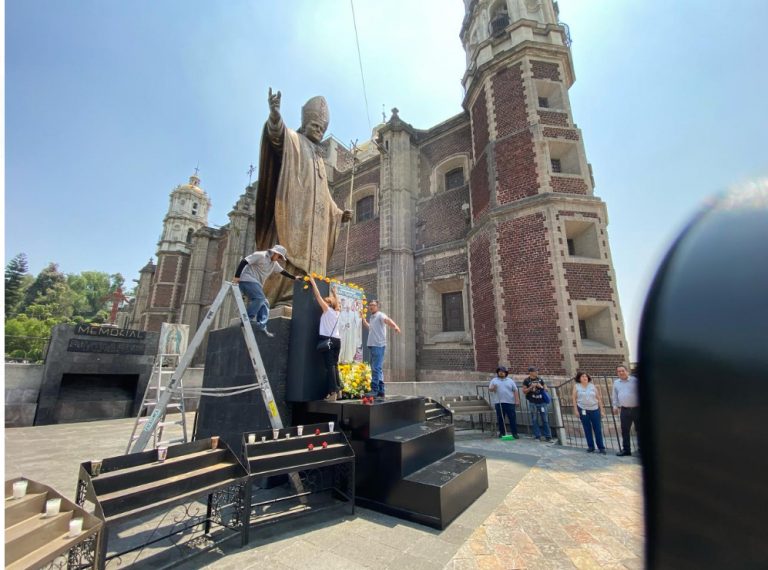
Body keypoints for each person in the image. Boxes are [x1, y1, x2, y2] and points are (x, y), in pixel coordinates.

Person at [253, 88, 352, 308]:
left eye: (321, 129)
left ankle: (302, 299)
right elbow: (276, 136)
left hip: (313, 231)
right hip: (293, 217)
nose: (318, 131)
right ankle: (276, 299)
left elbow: (325, 195)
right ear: (304, 125)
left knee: (309, 268)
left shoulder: (319, 159)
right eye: (314, 126)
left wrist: (337, 214)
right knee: (287, 256)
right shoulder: (294, 140)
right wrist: (275, 115)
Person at [232, 245, 299, 337]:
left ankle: (261, 325)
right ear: (275, 253)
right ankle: (246, 320)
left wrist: (294, 277)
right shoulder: (260, 255)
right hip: (246, 279)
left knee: (265, 303)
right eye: (279, 256)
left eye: (281, 258)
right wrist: (237, 277)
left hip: (256, 284)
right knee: (259, 298)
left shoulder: (273, 263)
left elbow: (282, 271)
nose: (279, 259)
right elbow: (244, 261)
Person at [308, 276, 342, 401]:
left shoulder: (327, 311)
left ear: (329, 304)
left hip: (328, 340)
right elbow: (337, 303)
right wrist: (334, 293)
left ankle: (332, 392)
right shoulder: (337, 312)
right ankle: (338, 390)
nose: (324, 302)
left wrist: (312, 282)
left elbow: (317, 296)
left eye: (327, 301)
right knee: (335, 365)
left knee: (330, 367)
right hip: (337, 340)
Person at [362, 300, 401, 398]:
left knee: (376, 368)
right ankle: (381, 391)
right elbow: (371, 328)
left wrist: (395, 326)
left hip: (378, 345)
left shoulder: (380, 315)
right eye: (370, 305)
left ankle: (374, 390)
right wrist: (364, 321)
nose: (371, 306)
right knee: (377, 369)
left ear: (377, 306)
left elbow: (387, 320)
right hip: (372, 345)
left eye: (373, 305)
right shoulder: (372, 317)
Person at [572, 371, 607, 454]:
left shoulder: (592, 386)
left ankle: (601, 447)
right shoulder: (576, 386)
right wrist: (576, 410)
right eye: (583, 376)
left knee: (597, 429)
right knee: (587, 429)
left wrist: (601, 410)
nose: (585, 378)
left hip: (594, 409)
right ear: (579, 378)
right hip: (583, 409)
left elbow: (599, 398)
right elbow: (574, 399)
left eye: (586, 376)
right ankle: (591, 446)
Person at [612, 365, 639, 457]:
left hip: (637, 409)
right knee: (625, 430)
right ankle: (626, 450)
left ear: (627, 371)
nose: (621, 373)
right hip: (624, 409)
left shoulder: (635, 381)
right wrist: (615, 406)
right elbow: (615, 395)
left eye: (622, 371)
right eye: (619, 371)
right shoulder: (616, 383)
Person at [522, 366, 553, 441]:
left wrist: (541, 386)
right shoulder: (526, 380)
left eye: (537, 371)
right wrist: (530, 387)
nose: (537, 372)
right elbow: (524, 391)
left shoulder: (540, 379)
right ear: (530, 372)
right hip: (533, 403)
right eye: (535, 371)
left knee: (545, 419)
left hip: (542, 403)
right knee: (534, 419)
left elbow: (546, 389)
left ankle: (548, 436)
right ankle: (537, 436)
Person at [488, 366, 519, 439]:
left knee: (512, 418)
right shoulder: (494, 380)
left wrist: (517, 400)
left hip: (510, 402)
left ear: (505, 373)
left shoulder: (510, 380)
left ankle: (514, 433)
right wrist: (493, 388)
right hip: (499, 402)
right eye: (500, 371)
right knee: (500, 418)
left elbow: (515, 390)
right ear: (498, 372)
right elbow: (490, 389)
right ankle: (502, 433)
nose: (501, 373)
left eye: (503, 372)